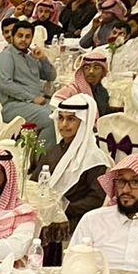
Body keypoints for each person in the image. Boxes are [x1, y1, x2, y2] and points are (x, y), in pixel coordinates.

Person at [39, 93, 113, 230]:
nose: (64, 124)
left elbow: (95, 200)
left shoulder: (94, 159)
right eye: (61, 118)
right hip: (46, 212)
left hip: (73, 220)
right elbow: (35, 182)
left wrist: (61, 209)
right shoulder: (55, 150)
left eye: (71, 119)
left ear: (84, 123)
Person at [53, 48, 114, 115]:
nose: (91, 71)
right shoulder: (72, 90)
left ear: (103, 72)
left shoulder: (102, 92)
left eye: (96, 68)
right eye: (87, 68)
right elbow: (55, 110)